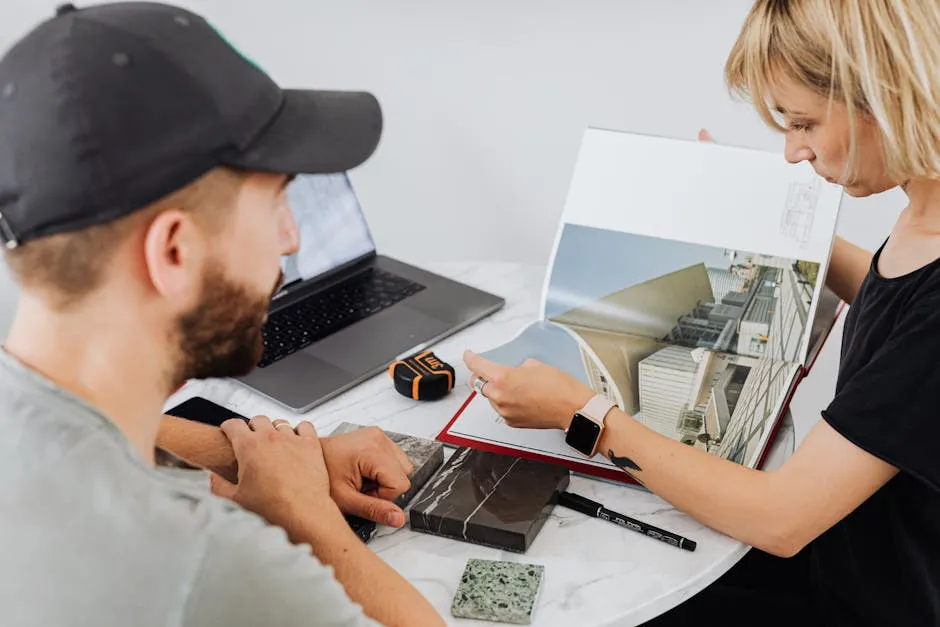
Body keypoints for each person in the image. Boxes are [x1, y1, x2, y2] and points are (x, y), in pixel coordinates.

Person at [463, 1, 940, 626]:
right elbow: (892, 299)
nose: (794, 152)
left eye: (803, 123)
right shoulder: (922, 215)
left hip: (857, 599)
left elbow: (783, 519)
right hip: (846, 553)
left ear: (887, 96)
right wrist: (761, 218)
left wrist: (584, 416)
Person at [0, 3, 442, 626]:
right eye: (275, 203)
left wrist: (249, 455)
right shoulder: (198, 565)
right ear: (174, 252)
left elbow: (82, 433)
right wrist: (309, 516)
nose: (290, 239)